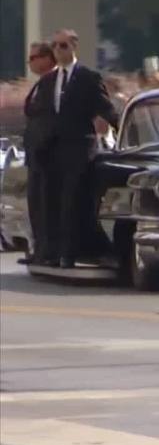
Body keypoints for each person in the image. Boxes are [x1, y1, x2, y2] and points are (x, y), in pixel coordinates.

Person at [31, 29, 119, 268]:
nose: (59, 51)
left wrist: (112, 124)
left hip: (79, 150)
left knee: (73, 203)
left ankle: (69, 255)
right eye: (55, 47)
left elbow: (107, 107)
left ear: (73, 47)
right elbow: (41, 114)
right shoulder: (48, 80)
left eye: (63, 46)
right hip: (53, 151)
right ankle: (52, 252)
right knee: (53, 203)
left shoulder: (88, 77)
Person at [18, 42, 58, 265]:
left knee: (45, 204)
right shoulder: (41, 84)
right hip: (34, 155)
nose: (30, 63)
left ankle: (48, 251)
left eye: (33, 58)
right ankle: (39, 249)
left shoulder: (53, 83)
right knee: (35, 203)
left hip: (47, 155)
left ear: (46, 58)